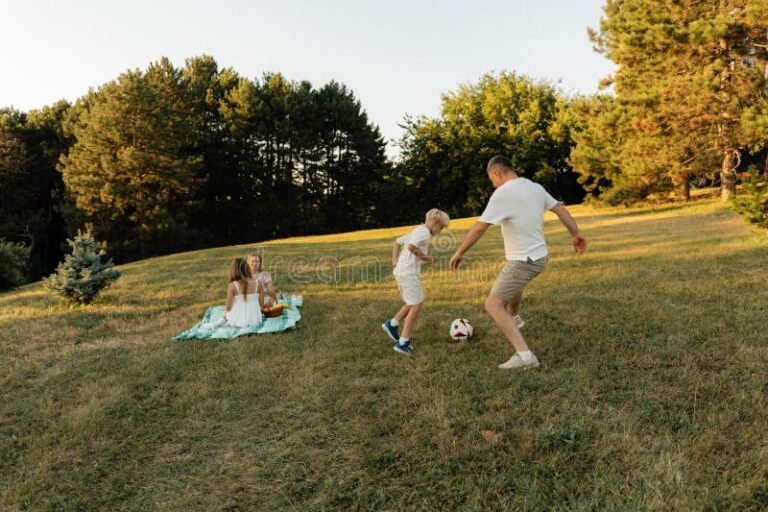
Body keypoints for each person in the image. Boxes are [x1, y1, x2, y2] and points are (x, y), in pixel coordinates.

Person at [448, 155, 587, 370]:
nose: (492, 183)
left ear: (496, 173)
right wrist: (576, 233)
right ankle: (515, 317)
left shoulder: (502, 194)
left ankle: (525, 357)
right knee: (514, 284)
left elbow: (479, 228)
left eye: (491, 179)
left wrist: (459, 251)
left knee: (493, 304)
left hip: (524, 261)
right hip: (539, 257)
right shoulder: (535, 187)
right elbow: (559, 208)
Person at [382, 208, 450, 354]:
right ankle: (403, 343)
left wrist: (395, 260)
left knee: (412, 301)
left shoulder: (417, 230)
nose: (441, 230)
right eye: (441, 226)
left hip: (402, 272)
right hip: (408, 274)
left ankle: (392, 324)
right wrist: (427, 258)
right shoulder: (424, 232)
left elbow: (397, 242)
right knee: (417, 304)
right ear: (434, 222)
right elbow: (412, 247)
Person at [223, 258, 264, 327]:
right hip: (255, 319)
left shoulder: (232, 285)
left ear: (234, 270)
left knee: (225, 314)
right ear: (247, 268)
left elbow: (228, 308)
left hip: (237, 320)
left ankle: (219, 322)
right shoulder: (259, 283)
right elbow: (261, 304)